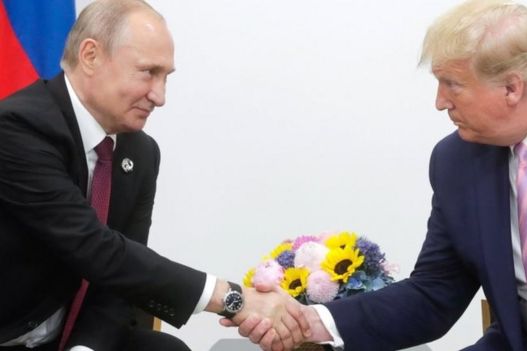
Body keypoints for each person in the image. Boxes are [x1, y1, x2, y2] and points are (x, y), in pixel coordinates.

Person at [234, 0, 527, 350]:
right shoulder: (456, 161)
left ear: (511, 87)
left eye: (452, 85)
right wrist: (309, 323)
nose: (439, 103)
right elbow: (434, 294)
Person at [0, 1, 309, 351]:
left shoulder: (140, 152)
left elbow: (117, 283)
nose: (159, 96)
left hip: (62, 339)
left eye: (166, 77)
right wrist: (231, 297)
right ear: (90, 56)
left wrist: (85, 350)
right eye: (148, 72)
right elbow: (95, 249)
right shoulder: (17, 128)